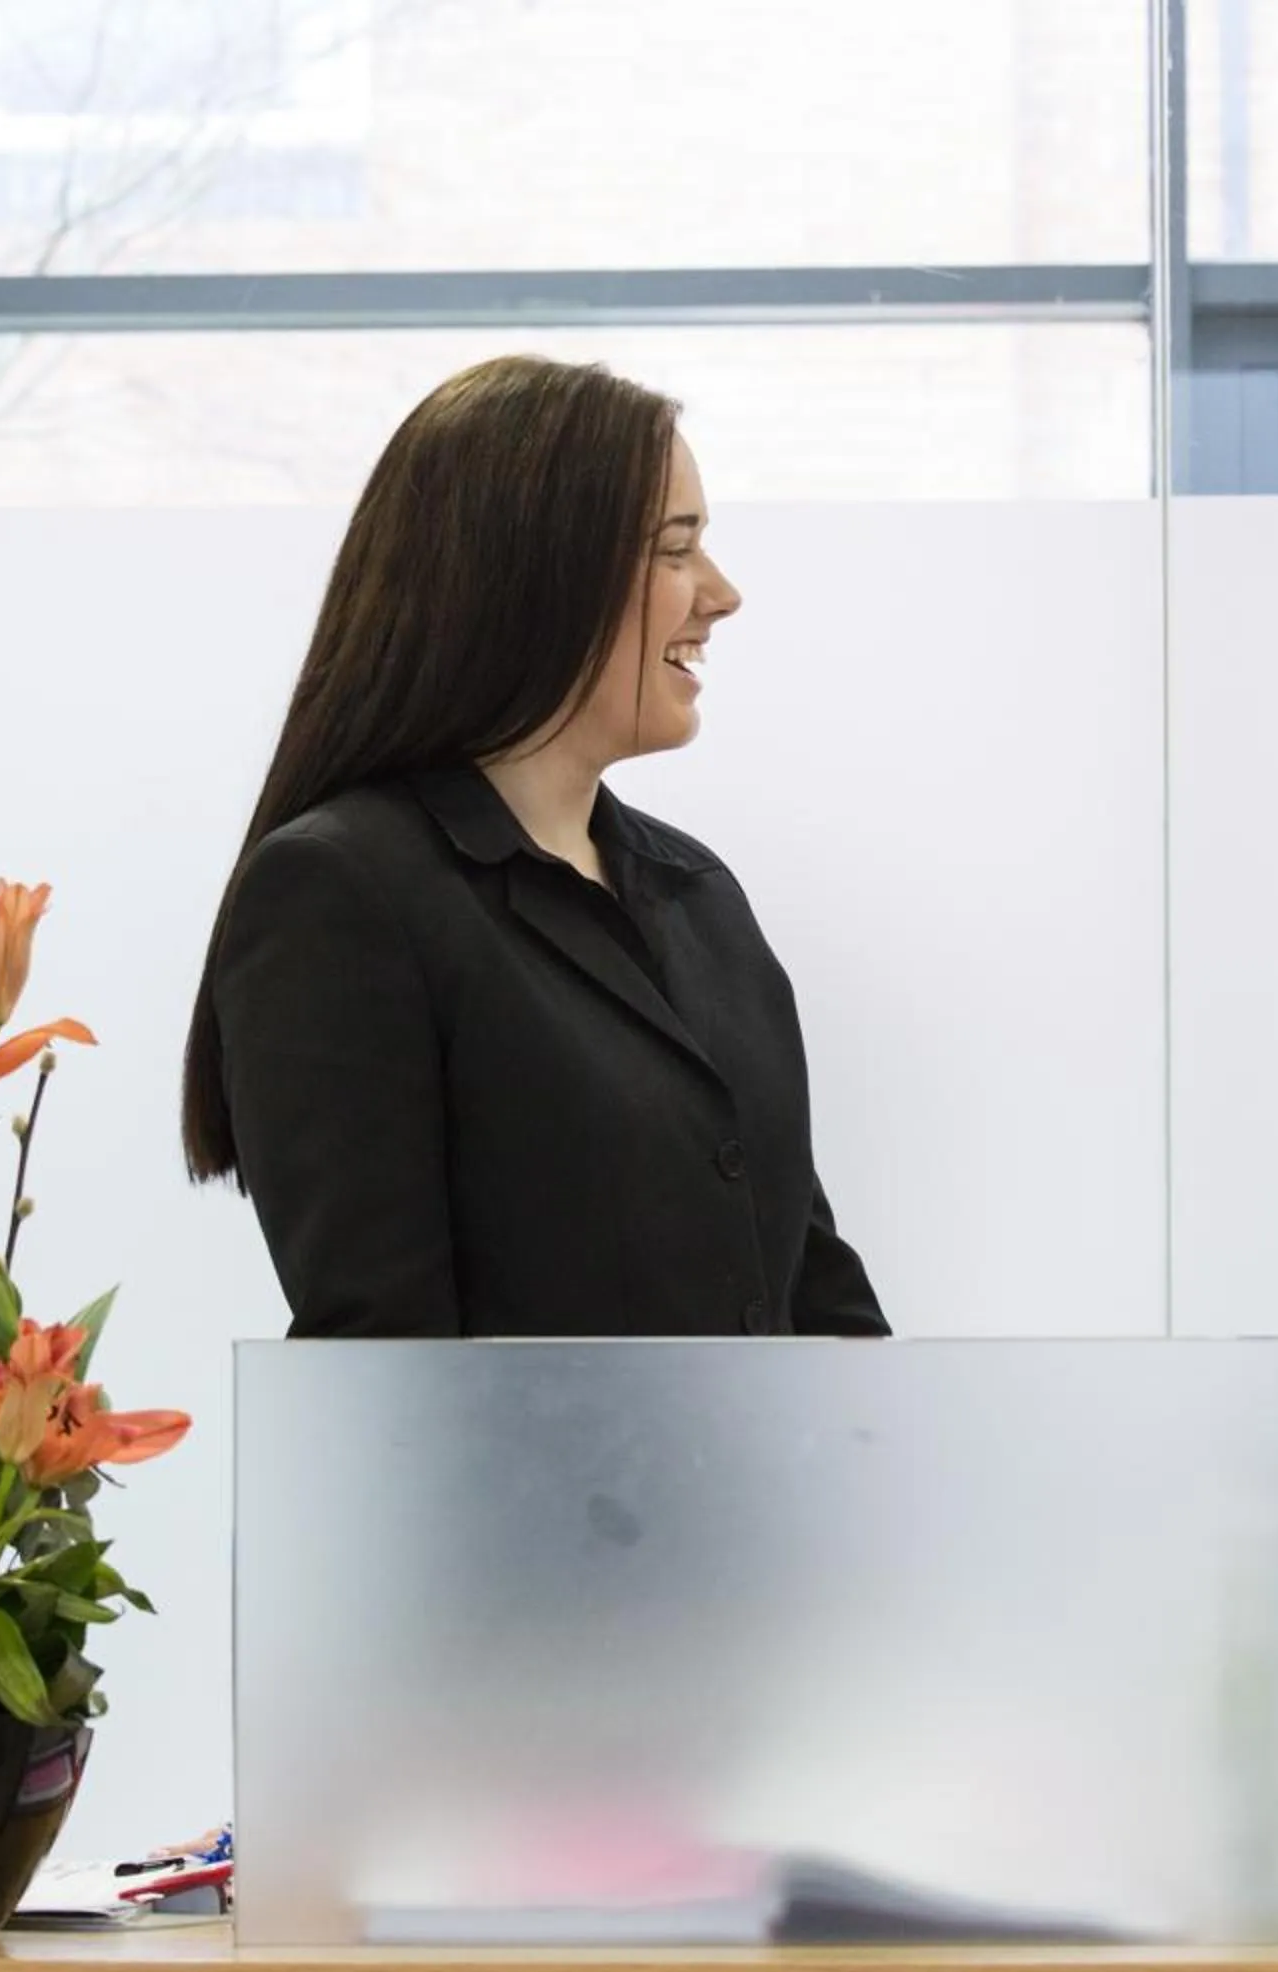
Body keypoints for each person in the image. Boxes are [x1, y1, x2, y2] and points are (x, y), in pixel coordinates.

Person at [181, 356, 887, 1340]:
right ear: (538, 575)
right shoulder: (343, 893)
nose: (720, 594)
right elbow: (384, 1363)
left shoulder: (699, 893)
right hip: (536, 1501)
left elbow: (812, 1291)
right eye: (677, 548)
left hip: (748, 1497)